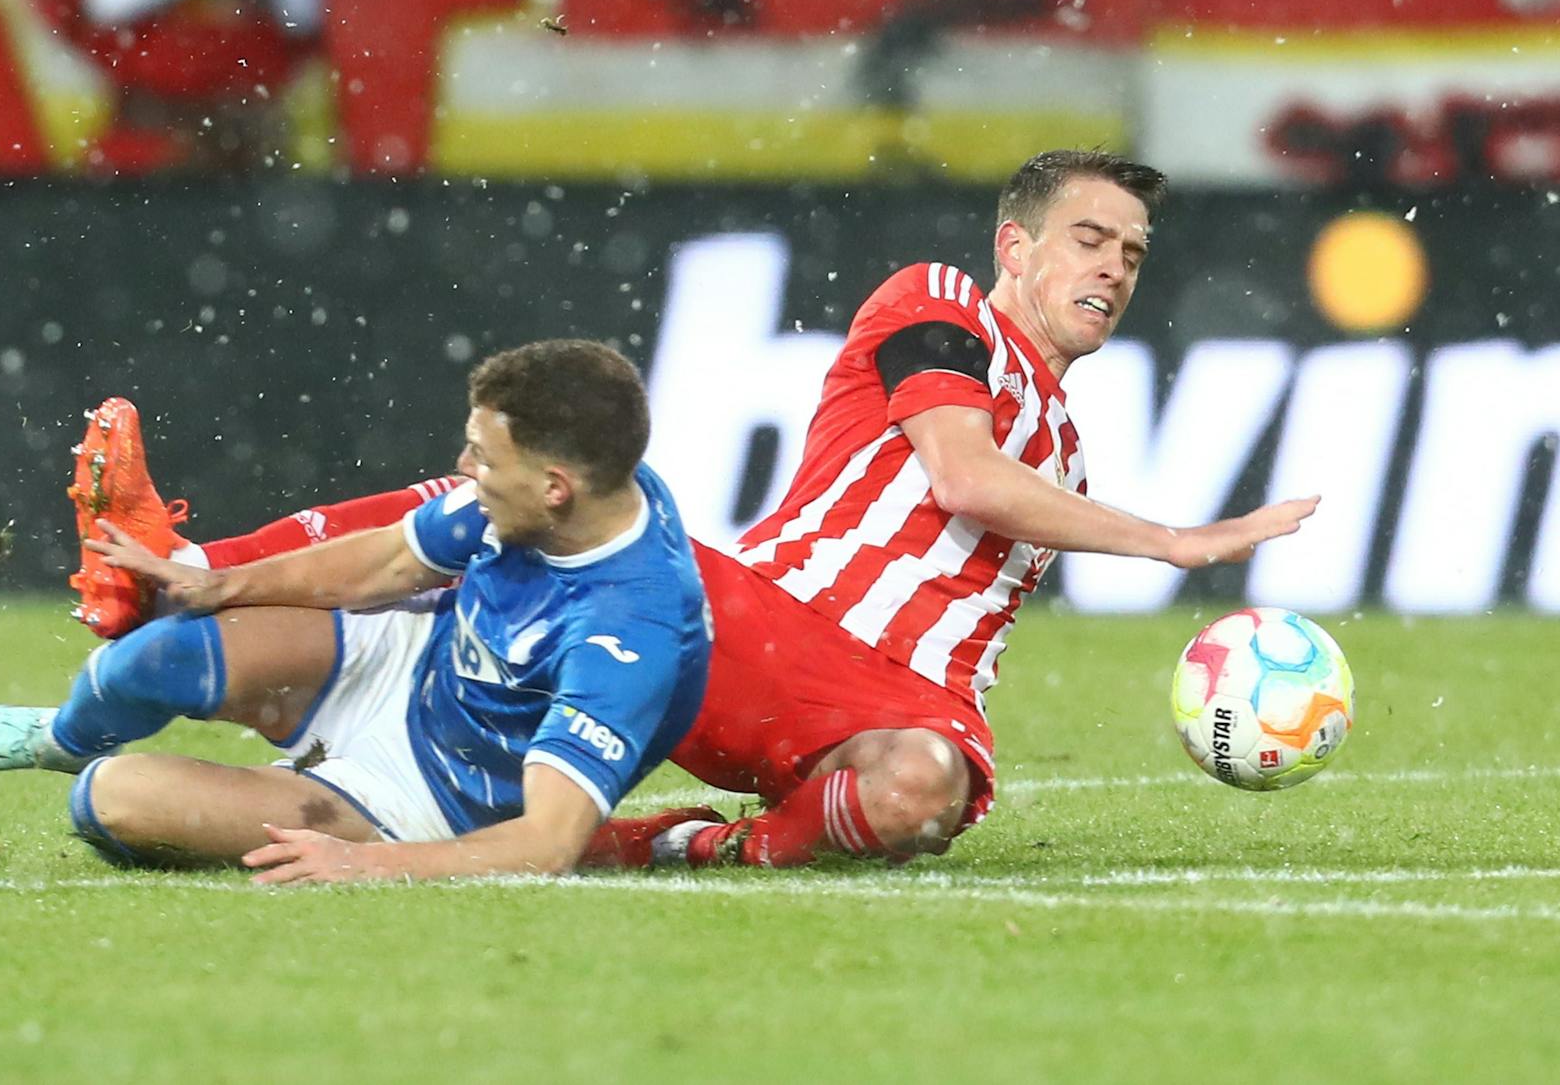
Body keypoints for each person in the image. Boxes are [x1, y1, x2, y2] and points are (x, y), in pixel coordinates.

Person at [67, 150, 1318, 869]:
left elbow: (991, 501)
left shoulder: (1069, 445)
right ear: (1012, 245)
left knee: (923, 790)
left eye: (1130, 254)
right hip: (749, 619)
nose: (1109, 267)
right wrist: (1179, 540)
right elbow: (956, 476)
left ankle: (675, 848)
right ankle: (178, 564)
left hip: (895, 697)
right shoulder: (941, 302)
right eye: (1087, 238)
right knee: (517, 486)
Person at [0, 340, 711, 884]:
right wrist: (219, 582)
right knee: (152, 658)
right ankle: (55, 738)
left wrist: (366, 867)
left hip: (426, 800)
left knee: (113, 800)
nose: (463, 468)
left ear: (555, 486)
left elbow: (546, 842)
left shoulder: (626, 633)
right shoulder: (554, 494)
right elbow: (389, 561)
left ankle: (121, 769)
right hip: (414, 661)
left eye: (482, 457)